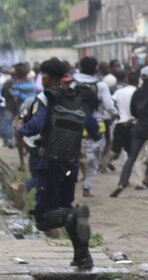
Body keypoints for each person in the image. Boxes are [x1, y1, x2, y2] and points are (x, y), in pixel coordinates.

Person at [15, 57, 100, 269]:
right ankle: (83, 257)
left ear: (46, 78)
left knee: (44, 218)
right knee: (65, 207)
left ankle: (73, 216)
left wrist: (20, 128)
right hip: (70, 164)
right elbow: (95, 130)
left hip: (48, 163)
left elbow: (35, 126)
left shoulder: (45, 98)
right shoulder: (77, 98)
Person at [113, 66, 148, 196]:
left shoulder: (137, 92)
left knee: (132, 156)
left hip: (140, 126)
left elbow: (133, 111)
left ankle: (122, 182)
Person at [73, 57, 111, 197]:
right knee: (95, 160)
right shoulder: (101, 85)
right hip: (96, 124)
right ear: (96, 69)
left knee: (73, 154)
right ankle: (87, 186)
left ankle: (81, 160)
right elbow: (109, 106)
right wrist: (116, 113)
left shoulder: (72, 83)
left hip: (75, 124)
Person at [105, 73, 140, 196]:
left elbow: (111, 103)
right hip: (133, 124)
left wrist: (117, 114)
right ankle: (130, 180)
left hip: (120, 123)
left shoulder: (120, 91)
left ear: (127, 79)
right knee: (132, 154)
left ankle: (102, 165)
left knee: (115, 151)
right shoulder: (137, 92)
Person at [11, 63, 37, 171]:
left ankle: (22, 163)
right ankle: (33, 157)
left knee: (19, 137)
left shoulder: (16, 86)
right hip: (32, 113)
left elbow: (15, 100)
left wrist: (15, 115)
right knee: (31, 135)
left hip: (21, 114)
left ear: (17, 73)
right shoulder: (32, 84)